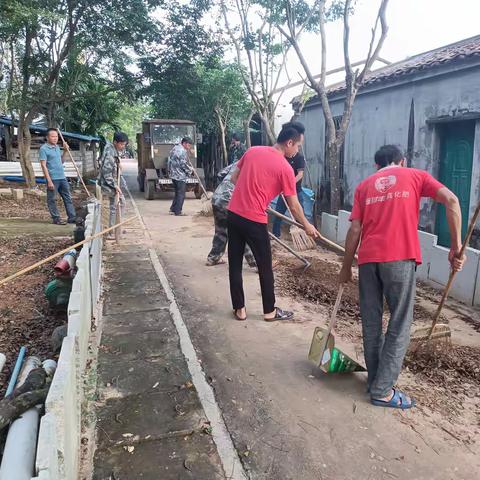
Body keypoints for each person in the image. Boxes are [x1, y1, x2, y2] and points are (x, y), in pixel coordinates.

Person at [339, 144, 466, 409]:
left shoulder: (364, 186)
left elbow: (354, 230)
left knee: (371, 322)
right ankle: (383, 391)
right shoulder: (415, 176)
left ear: (377, 166)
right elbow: (452, 201)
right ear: (402, 161)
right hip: (399, 257)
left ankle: (376, 381)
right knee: (399, 323)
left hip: (368, 260)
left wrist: (345, 266)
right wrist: (455, 248)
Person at [227, 121, 319, 322]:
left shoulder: (252, 151)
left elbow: (234, 179)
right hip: (254, 220)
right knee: (265, 265)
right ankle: (269, 311)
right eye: (298, 146)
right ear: (288, 143)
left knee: (234, 262)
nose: (297, 150)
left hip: (233, 213)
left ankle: (240, 310)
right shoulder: (285, 168)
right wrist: (307, 225)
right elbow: (294, 205)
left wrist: (253, 195)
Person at [206, 162, 256, 269]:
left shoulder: (237, 163)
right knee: (244, 231)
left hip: (217, 198)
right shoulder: (254, 167)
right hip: (232, 201)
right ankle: (255, 262)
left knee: (221, 230)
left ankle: (213, 258)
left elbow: (220, 174)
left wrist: (223, 188)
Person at [39, 128, 77, 225]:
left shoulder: (56, 147)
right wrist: (49, 181)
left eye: (56, 136)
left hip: (62, 177)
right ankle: (56, 218)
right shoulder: (43, 149)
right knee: (52, 199)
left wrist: (65, 151)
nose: (55, 138)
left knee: (67, 197)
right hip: (52, 178)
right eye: (52, 136)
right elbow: (43, 165)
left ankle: (72, 217)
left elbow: (61, 161)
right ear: (47, 137)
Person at [272, 147, 305, 238]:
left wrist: (289, 184)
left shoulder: (299, 158)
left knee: (299, 216)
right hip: (284, 193)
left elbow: (300, 175)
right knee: (278, 214)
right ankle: (275, 235)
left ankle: (302, 236)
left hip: (296, 192)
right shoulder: (284, 157)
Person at [98, 131, 129, 230]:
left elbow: (113, 164)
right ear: (115, 142)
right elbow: (106, 172)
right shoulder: (110, 152)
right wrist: (115, 185)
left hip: (112, 181)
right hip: (108, 183)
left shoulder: (112, 149)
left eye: (124, 144)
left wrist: (118, 163)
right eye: (121, 144)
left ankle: (115, 228)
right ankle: (114, 229)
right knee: (118, 204)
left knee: (115, 206)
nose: (123, 146)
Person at [168, 137, 193, 216]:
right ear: (184, 143)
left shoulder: (174, 148)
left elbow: (169, 161)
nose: (189, 147)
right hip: (180, 176)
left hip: (173, 175)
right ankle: (178, 211)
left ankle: (173, 209)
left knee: (177, 193)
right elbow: (183, 165)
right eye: (188, 145)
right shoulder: (182, 151)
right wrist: (190, 171)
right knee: (181, 194)